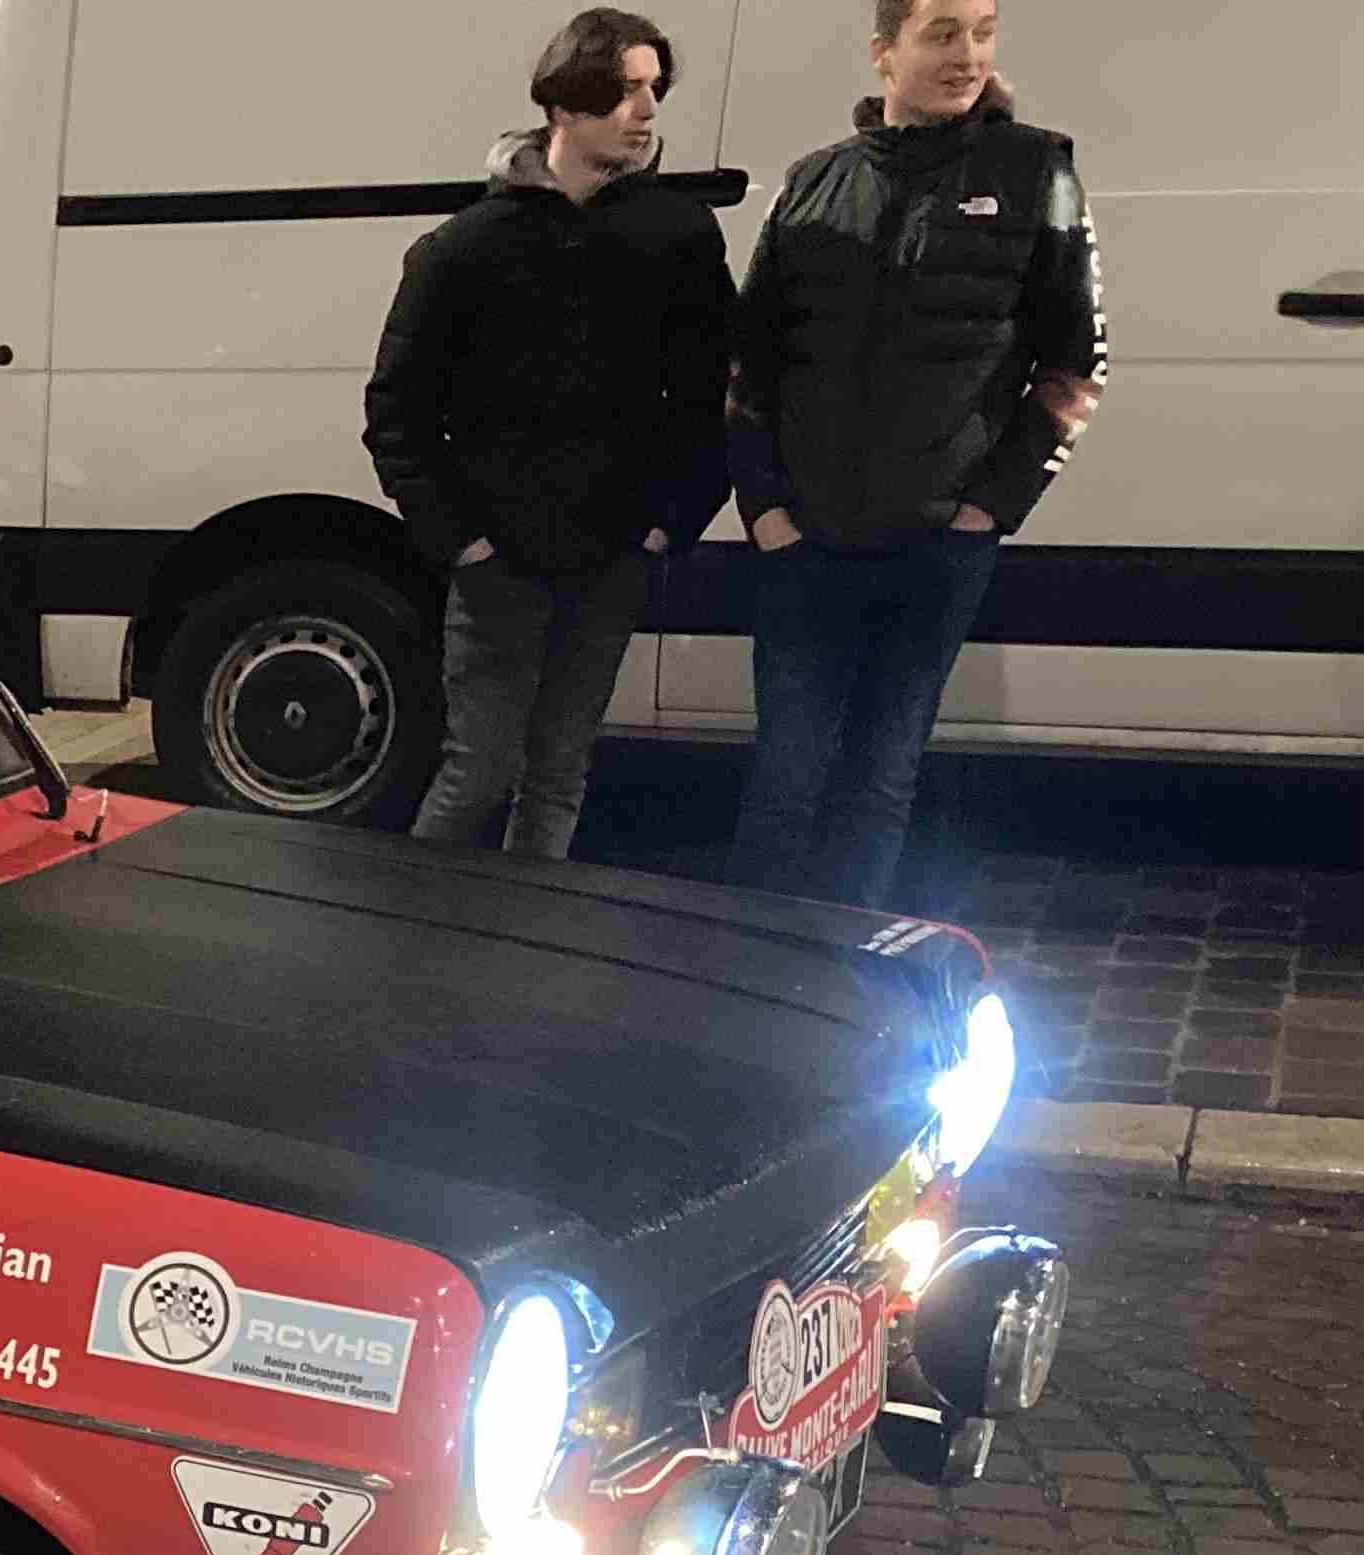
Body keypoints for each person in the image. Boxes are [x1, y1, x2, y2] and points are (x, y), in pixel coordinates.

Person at [726, 0, 1106, 908]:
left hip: (937, 545)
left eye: (983, 30)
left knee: (879, 781)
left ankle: (845, 968)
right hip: (805, 541)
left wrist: (986, 512)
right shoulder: (813, 181)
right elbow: (749, 367)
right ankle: (748, 970)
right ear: (884, 53)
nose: (967, 54)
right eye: (941, 33)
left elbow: (1075, 367)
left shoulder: (1038, 173)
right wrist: (765, 509)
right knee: (784, 780)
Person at [363, 11, 733, 861]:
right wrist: (461, 540)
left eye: (653, 89)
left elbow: (710, 394)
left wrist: (670, 521)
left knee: (561, 771)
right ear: (565, 105)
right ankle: (415, 929)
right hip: (499, 564)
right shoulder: (466, 246)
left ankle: (527, 932)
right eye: (626, 90)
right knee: (478, 771)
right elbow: (398, 409)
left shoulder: (677, 235)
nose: (647, 110)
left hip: (612, 557)